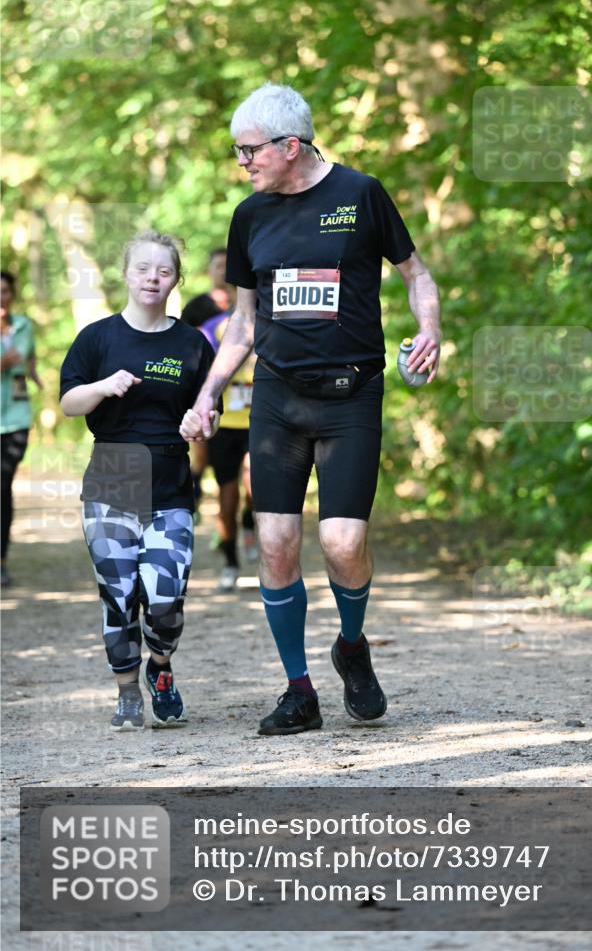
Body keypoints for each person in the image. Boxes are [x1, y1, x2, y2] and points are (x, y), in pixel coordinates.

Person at [180, 83, 441, 736]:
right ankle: (299, 690)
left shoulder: (360, 194)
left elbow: (415, 273)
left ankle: (350, 644)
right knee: (274, 541)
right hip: (276, 396)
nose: (242, 163)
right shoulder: (250, 216)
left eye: (248, 151)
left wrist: (430, 327)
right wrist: (207, 394)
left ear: (289, 146)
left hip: (351, 394)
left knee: (343, 542)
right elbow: (241, 323)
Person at [60, 230, 217, 731]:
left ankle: (161, 666)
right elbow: (68, 404)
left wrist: (201, 421)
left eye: (164, 270)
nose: (153, 277)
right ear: (126, 273)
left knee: (166, 597)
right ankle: (127, 691)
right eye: (144, 268)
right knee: (119, 593)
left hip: (171, 481)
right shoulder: (97, 338)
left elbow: (206, 410)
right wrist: (102, 387)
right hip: (111, 478)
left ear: (175, 280)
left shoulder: (192, 344)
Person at [181, 285, 256, 591]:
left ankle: (251, 524)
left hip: (261, 419)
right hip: (225, 423)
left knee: (255, 481)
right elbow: (200, 370)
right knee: (227, 498)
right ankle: (230, 560)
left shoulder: (274, 324)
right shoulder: (215, 328)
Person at [1, 270, 43, 588]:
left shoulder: (24, 325)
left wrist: (35, 375)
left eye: (5, 291)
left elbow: (28, 360)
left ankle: (1, 560)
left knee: (3, 487)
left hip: (16, 416)